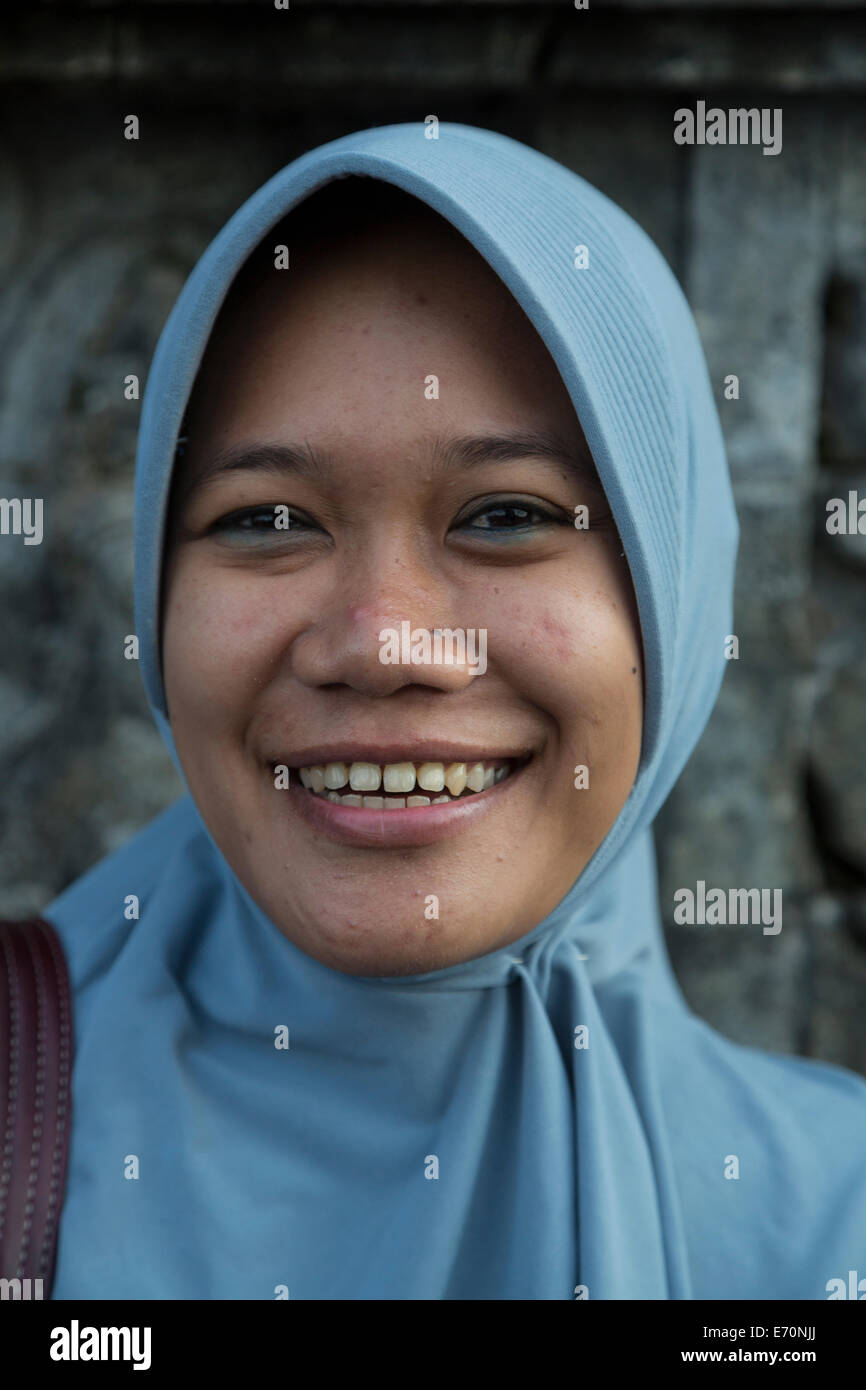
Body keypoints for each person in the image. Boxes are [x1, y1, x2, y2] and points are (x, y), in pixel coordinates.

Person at [44, 122, 866, 1299]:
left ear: (670, 594)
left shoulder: (826, 1234)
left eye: (505, 516)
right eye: (267, 520)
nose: (384, 643)